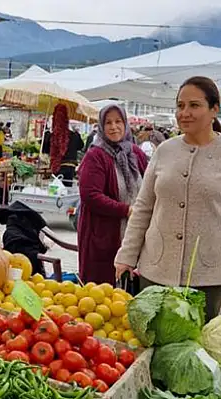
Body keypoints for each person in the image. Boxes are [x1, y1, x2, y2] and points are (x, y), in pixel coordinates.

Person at [115, 77, 221, 320]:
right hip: (155, 273)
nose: (185, 113)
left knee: (199, 351)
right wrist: (126, 256)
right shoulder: (164, 151)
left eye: (194, 105)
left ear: (214, 109)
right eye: (180, 106)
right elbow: (144, 208)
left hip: (209, 280)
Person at [77, 104, 148, 285]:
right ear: (101, 126)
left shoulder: (135, 153)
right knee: (103, 292)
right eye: (108, 122)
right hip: (102, 233)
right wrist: (126, 210)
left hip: (134, 232)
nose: (113, 126)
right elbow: (90, 195)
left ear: (125, 124)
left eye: (118, 121)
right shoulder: (95, 155)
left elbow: (149, 184)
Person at [0, 202, 49, 277]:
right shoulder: (29, 232)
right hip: (34, 275)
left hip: (13, 275)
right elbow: (41, 250)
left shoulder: (9, 233)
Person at [49, 104, 84, 185]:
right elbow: (81, 146)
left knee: (56, 188)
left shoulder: (54, 135)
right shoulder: (75, 135)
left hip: (58, 165)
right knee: (67, 189)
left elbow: (47, 149)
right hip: (71, 166)